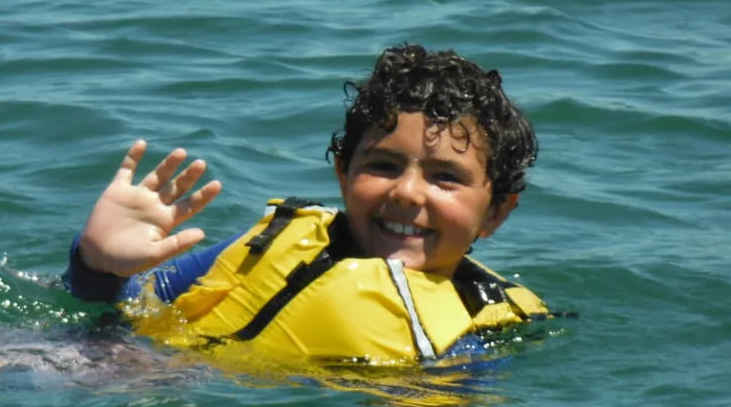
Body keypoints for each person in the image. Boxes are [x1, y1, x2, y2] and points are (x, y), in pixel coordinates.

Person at [64, 43, 550, 366]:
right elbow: (116, 312)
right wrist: (99, 266)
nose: (405, 192)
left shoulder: (479, 331)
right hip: (111, 371)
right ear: (343, 171)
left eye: (445, 178)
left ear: (496, 211)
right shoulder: (276, 241)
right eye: (383, 166)